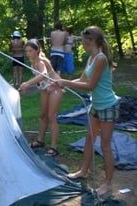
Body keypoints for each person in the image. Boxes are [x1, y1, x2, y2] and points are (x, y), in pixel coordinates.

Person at [55, 26, 119, 198]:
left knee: (105, 146)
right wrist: (62, 83)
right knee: (89, 140)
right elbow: (83, 79)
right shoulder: (91, 58)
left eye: (83, 41)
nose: (81, 44)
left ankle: (108, 184)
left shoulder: (100, 59)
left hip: (108, 106)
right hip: (96, 106)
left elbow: (90, 86)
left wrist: (65, 83)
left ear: (91, 42)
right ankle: (83, 170)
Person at [19, 39, 63, 157]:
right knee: (43, 115)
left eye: (31, 51)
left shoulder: (41, 61)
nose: (28, 53)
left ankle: (54, 147)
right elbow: (40, 80)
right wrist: (30, 86)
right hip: (45, 89)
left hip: (55, 88)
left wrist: (27, 83)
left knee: (51, 117)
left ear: (37, 50)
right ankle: (40, 140)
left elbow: (43, 75)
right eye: (26, 51)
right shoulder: (33, 61)